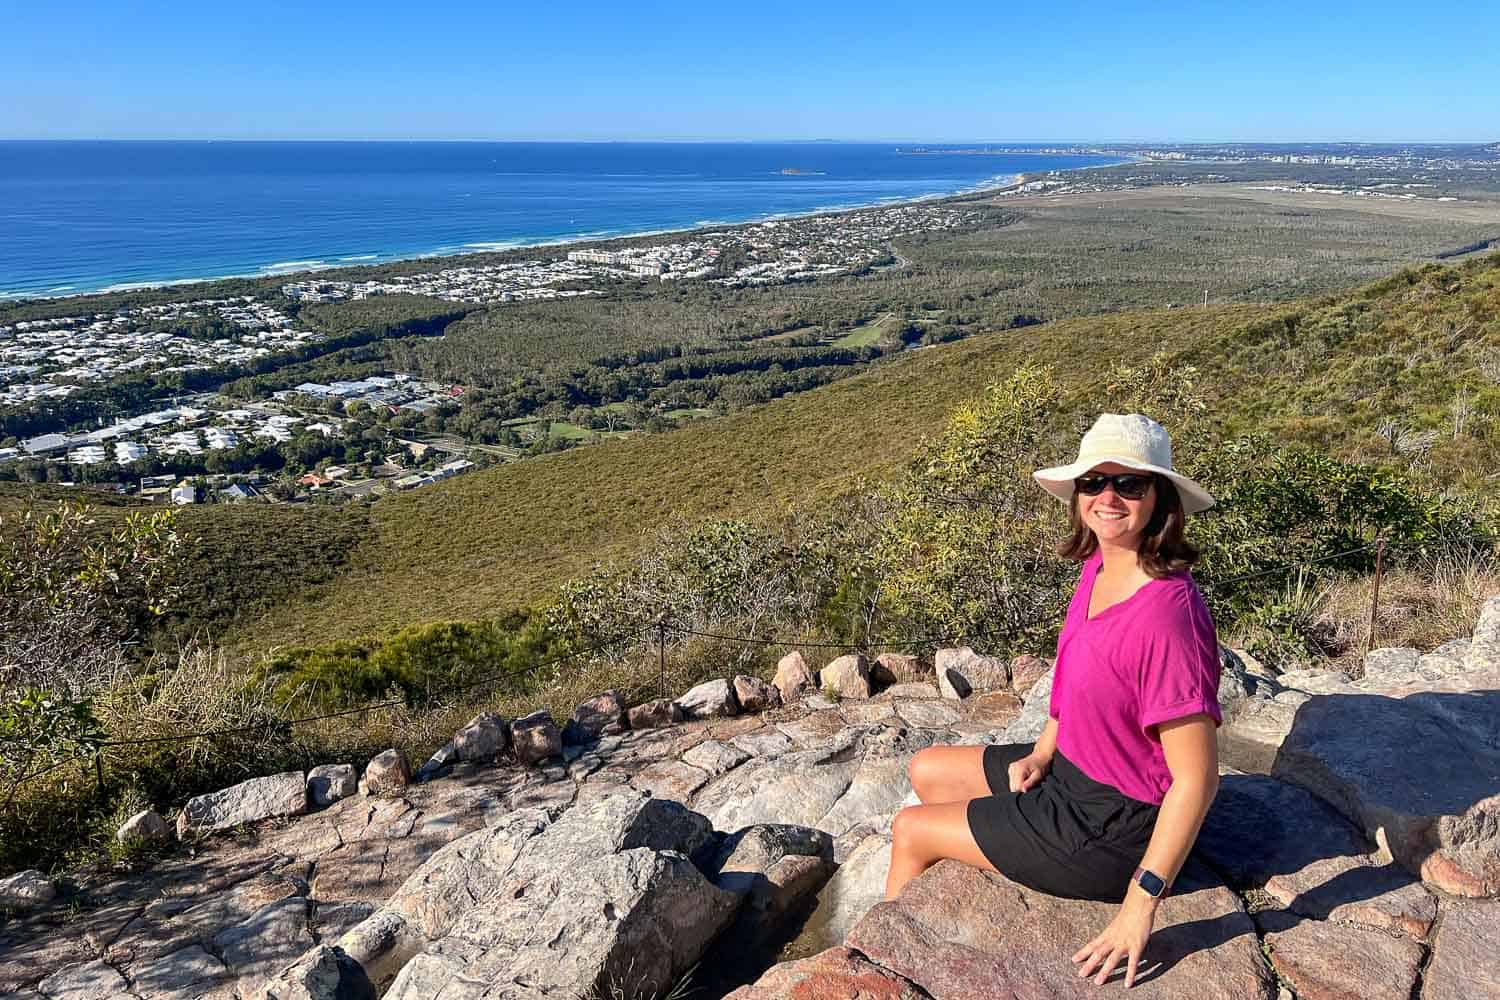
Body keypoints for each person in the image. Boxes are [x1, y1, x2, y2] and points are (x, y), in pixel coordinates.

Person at [884, 412, 1222, 990]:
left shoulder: (1167, 619)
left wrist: (1139, 905)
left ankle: (884, 968)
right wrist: (1042, 753)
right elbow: (1071, 681)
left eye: (1129, 484)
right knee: (927, 769)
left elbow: (1197, 779)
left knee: (911, 829)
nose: (1107, 497)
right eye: (1093, 483)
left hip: (1111, 824)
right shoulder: (1101, 566)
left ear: (1161, 499)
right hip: (1069, 771)